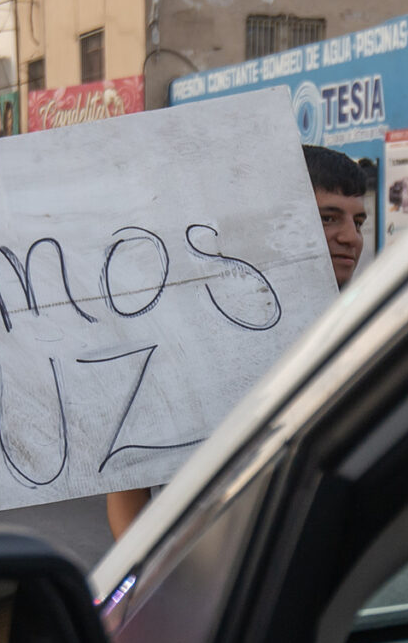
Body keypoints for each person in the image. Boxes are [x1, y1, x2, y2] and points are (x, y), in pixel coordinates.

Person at [103, 143, 370, 539]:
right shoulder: (195, 332)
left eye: (359, 221)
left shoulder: (361, 330)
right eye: (329, 218)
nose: (351, 237)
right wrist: (148, 584)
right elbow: (128, 485)